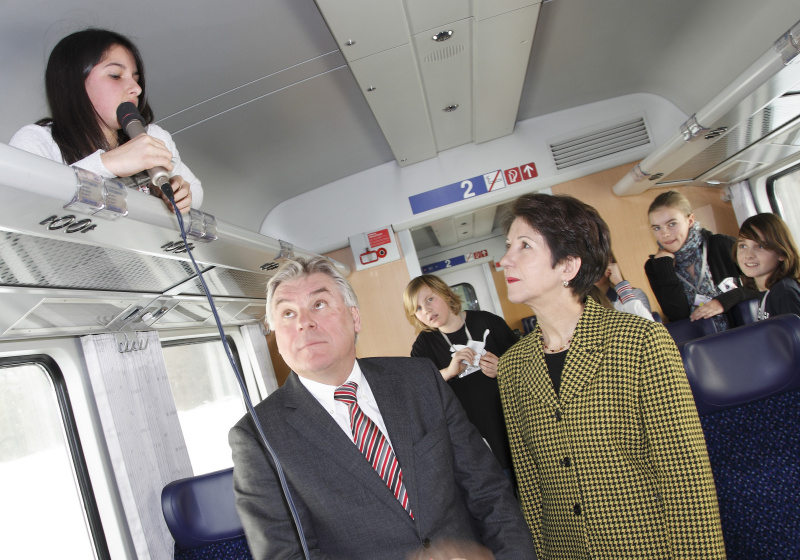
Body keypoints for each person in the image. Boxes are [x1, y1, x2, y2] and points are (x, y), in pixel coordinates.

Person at [229, 257, 536, 560]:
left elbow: (488, 490)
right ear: (277, 339)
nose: (303, 322)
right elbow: (287, 555)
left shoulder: (419, 379)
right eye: (286, 313)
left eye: (319, 304)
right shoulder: (258, 437)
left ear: (355, 318)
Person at [497, 193, 725, 559]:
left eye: (524, 246)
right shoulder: (512, 368)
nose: (504, 259)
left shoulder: (641, 342)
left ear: (569, 265)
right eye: (508, 246)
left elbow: (686, 479)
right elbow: (531, 485)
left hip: (646, 548)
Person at [9, 28, 202, 213]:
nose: (136, 88)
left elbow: (196, 189)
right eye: (116, 76)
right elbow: (19, 203)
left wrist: (181, 194)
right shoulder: (37, 139)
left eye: (136, 78)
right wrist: (107, 164)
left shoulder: (152, 136)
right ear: (73, 84)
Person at [403, 275, 517, 476]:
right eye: (418, 309)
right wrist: (449, 372)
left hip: (513, 428)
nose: (426, 310)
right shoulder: (424, 345)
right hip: (474, 443)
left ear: (447, 294)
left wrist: (504, 368)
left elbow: (528, 367)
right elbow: (416, 390)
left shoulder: (488, 321)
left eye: (430, 299)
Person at [645, 190, 740, 330]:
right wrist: (666, 268)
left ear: (690, 220)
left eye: (672, 224)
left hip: (744, 332)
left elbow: (757, 288)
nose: (664, 234)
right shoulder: (655, 267)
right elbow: (678, 316)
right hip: (702, 343)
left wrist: (723, 302)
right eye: (657, 228)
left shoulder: (722, 245)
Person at [690, 212, 800, 322]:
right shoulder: (766, 291)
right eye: (743, 246)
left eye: (760, 246)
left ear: (782, 253)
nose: (748, 255)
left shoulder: (783, 293)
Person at [594, 251, 653, 320]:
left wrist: (619, 282)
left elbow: (647, 326)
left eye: (596, 261)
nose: (592, 270)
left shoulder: (634, 295)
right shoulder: (583, 307)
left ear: (609, 259)